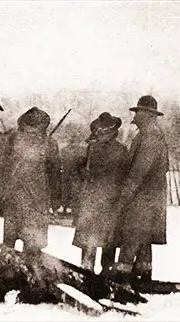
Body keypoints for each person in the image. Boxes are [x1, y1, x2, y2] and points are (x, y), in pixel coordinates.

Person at [109, 95, 169, 285]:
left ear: (149, 116)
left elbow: (138, 172)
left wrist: (124, 196)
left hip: (142, 200)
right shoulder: (149, 136)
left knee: (132, 235)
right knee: (143, 238)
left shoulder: (150, 138)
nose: (135, 118)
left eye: (139, 113)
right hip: (149, 199)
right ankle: (142, 278)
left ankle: (121, 282)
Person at [1, 107, 62, 257]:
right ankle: (28, 275)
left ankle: (5, 273)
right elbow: (54, 174)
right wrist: (56, 201)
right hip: (36, 201)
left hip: (14, 198)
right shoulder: (50, 143)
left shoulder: (13, 138)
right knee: (32, 246)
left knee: (9, 244)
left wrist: (2, 191)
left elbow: (3, 167)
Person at [72, 112, 129, 271]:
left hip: (103, 202)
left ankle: (96, 273)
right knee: (104, 242)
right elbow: (78, 170)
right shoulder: (92, 148)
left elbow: (76, 172)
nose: (101, 132)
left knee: (100, 242)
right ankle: (101, 274)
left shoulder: (115, 150)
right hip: (100, 202)